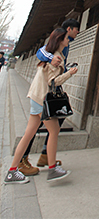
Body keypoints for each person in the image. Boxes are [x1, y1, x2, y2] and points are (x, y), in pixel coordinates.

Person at [4, 28, 78, 185]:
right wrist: (70, 73)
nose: (68, 40)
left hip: (35, 96)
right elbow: (53, 82)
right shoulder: (57, 57)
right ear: (60, 40)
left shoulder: (48, 53)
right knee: (54, 130)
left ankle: (12, 171)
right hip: (42, 98)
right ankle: (52, 168)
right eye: (66, 38)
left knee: (29, 134)